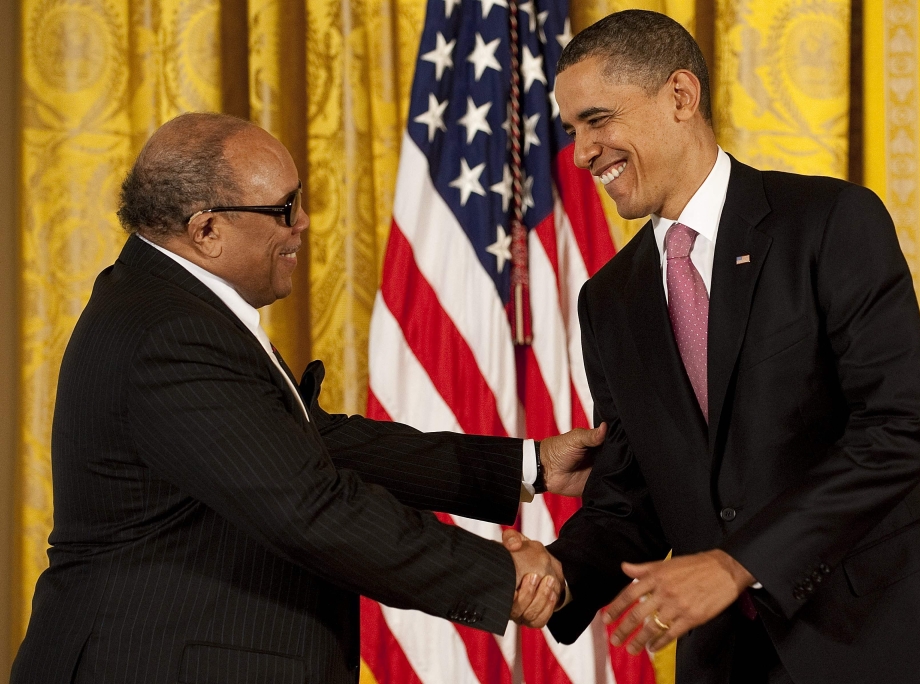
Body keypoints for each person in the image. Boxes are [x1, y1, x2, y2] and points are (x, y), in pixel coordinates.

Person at [11, 112, 601, 683]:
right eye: (284, 209)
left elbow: (317, 443)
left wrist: (533, 464)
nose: (306, 222)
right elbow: (309, 508)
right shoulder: (170, 332)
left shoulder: (168, 304)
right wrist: (504, 577)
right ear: (206, 229)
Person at [504, 9, 920, 684]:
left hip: (883, 641)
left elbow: (897, 431)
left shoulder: (828, 223)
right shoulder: (610, 300)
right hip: (731, 664)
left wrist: (738, 564)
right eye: (573, 131)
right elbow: (628, 499)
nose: (583, 152)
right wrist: (558, 573)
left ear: (681, 96)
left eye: (598, 120)